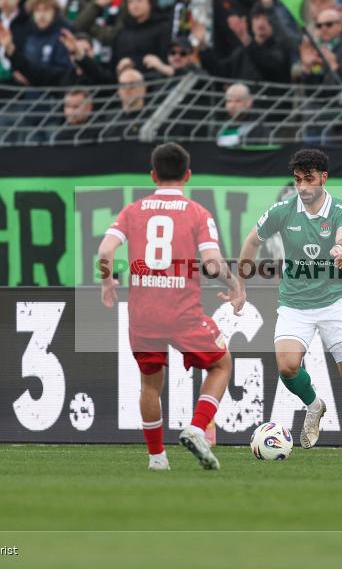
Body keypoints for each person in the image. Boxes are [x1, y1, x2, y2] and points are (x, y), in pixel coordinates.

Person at [97, 142, 243, 471]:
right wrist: (235, 287)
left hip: (143, 314)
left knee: (150, 383)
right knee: (221, 364)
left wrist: (108, 282)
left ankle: (157, 459)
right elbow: (211, 263)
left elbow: (106, 250)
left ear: (152, 176)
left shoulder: (132, 211)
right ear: (188, 175)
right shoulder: (197, 214)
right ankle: (196, 427)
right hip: (182, 312)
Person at [236, 149, 342, 459]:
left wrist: (341, 249)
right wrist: (241, 282)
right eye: (297, 180)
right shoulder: (282, 211)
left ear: (323, 178)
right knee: (288, 367)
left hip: (335, 304)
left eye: (309, 179)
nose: (303, 187)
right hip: (294, 304)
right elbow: (252, 241)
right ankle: (314, 405)